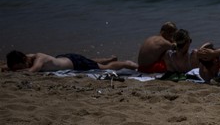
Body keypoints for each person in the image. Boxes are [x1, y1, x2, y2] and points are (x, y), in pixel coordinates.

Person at [5, 51, 137, 73]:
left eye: (19, 67)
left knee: (104, 68)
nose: (20, 69)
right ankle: (109, 58)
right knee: (90, 61)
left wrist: (13, 72)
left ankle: (127, 63)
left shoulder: (39, 58)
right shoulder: (28, 57)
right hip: (67, 58)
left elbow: (31, 71)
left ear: (24, 59)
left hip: (74, 63)